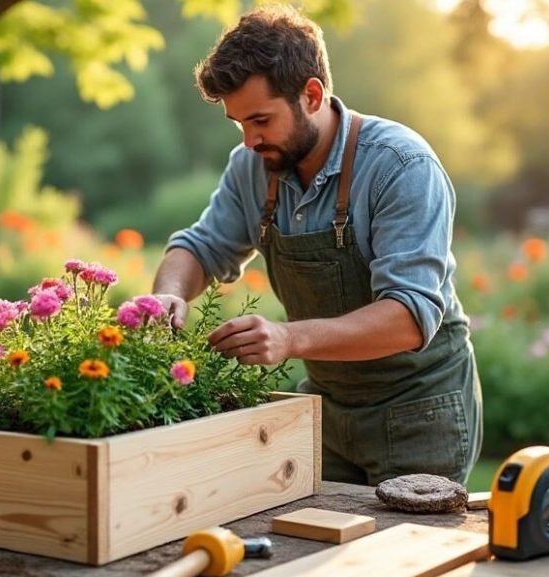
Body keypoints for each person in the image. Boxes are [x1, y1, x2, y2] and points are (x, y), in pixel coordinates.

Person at [152, 5, 481, 486]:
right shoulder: (252, 165)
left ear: (311, 94)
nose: (248, 140)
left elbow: (410, 316)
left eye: (260, 119)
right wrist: (169, 295)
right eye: (238, 123)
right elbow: (200, 247)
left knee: (405, 556)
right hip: (325, 409)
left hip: (419, 411)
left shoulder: (401, 165)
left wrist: (288, 339)